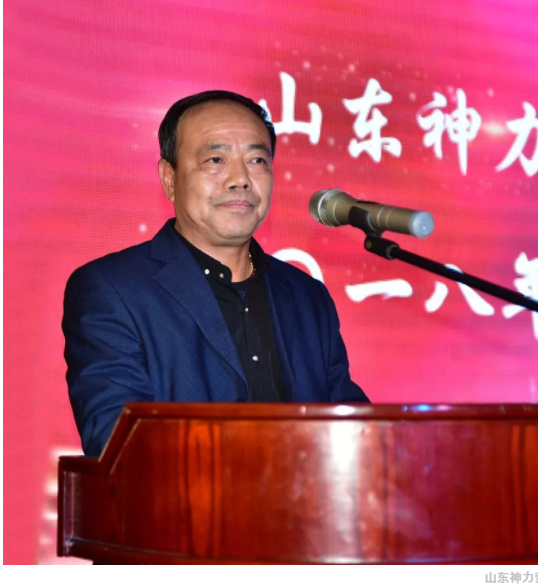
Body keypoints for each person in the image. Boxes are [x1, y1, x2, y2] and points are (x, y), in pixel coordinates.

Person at [63, 90, 369, 457]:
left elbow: (355, 432)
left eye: (257, 160)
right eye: (215, 159)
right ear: (169, 178)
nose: (240, 179)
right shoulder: (112, 289)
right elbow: (118, 441)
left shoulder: (307, 296)